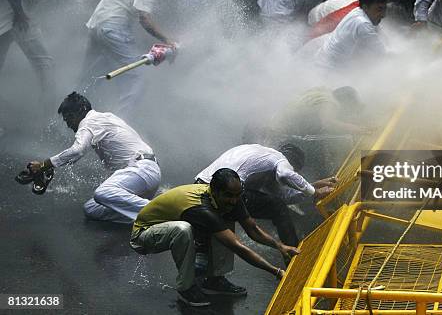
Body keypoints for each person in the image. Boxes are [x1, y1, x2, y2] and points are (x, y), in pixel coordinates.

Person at [130, 169, 298, 305]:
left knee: (225, 217)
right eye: (229, 196)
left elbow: (252, 229)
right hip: (145, 234)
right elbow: (237, 246)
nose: (234, 200)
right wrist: (276, 271)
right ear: (215, 191)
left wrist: (280, 246)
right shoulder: (201, 208)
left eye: (237, 195)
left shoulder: (231, 196)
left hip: (174, 224)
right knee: (183, 230)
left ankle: (214, 280)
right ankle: (186, 288)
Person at [28, 92, 161, 223]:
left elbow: (77, 150)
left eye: (68, 117)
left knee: (102, 193)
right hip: (143, 175)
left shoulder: (88, 122)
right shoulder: (106, 116)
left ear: (80, 111)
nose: (68, 124)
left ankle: (162, 212)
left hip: (142, 170)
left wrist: (44, 165)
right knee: (91, 209)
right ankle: (149, 216)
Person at [80, 0, 175, 118]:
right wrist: (167, 40)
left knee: (90, 75)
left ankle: (72, 118)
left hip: (96, 22)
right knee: (138, 79)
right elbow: (144, 18)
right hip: (113, 28)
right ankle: (119, 128)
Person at [194, 143, 336, 247]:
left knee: (223, 230)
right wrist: (314, 192)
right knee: (277, 207)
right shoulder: (279, 159)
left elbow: (283, 196)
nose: (294, 174)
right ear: (291, 163)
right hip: (222, 190)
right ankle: (295, 254)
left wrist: (311, 186)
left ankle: (215, 277)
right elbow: (286, 174)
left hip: (203, 186)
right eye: (295, 171)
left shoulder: (263, 158)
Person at [313, 0, 388, 69]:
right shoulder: (363, 24)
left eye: (384, 9)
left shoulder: (358, 11)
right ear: (365, 7)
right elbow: (381, 53)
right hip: (328, 68)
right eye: (379, 9)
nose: (383, 15)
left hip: (322, 59)